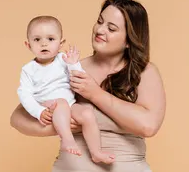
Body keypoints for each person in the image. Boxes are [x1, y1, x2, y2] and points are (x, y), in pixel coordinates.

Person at [10, 0, 166, 172]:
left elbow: (148, 126)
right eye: (99, 22)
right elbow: (17, 118)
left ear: (129, 40)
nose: (100, 30)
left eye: (111, 28)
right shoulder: (70, 68)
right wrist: (61, 123)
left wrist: (95, 94)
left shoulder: (143, 72)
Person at [17, 15, 116, 164]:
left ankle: (96, 152)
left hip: (69, 103)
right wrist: (38, 112)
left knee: (87, 113)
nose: (44, 44)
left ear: (60, 43)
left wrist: (73, 64)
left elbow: (78, 77)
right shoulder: (28, 69)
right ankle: (67, 140)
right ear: (28, 45)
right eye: (37, 40)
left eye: (50, 39)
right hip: (47, 104)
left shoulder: (63, 59)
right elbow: (24, 94)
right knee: (61, 103)